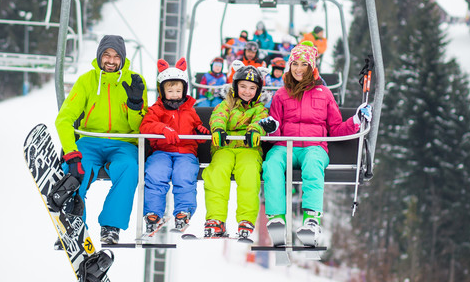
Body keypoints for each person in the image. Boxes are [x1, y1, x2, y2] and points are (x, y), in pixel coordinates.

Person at [262, 41, 371, 246]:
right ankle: (277, 218)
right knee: (272, 164)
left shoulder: (324, 94)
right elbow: (275, 129)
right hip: (285, 145)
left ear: (312, 67)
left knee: (313, 165)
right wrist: (271, 127)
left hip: (314, 146)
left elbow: (336, 128)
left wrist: (356, 119)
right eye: (295, 64)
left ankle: (311, 219)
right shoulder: (281, 94)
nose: (298, 69)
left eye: (304, 64)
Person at [55, 35, 148, 245]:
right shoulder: (86, 81)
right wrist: (71, 153)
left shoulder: (134, 81)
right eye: (107, 55)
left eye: (116, 56)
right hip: (90, 140)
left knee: (130, 167)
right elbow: (64, 119)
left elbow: (141, 127)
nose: (111, 61)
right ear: (99, 56)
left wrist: (135, 105)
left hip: (124, 142)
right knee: (78, 169)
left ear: (123, 59)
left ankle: (111, 227)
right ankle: (74, 223)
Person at [139, 57, 210, 232]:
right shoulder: (156, 110)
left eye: (178, 91)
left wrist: (201, 133)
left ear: (184, 90)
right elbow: (145, 126)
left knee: (184, 175)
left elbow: (196, 133)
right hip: (161, 151)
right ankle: (153, 213)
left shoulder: (190, 111)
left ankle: (183, 212)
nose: (175, 95)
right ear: (162, 91)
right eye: (170, 91)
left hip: (186, 153)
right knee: (156, 173)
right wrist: (162, 129)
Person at [203, 65, 270, 239]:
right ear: (235, 87)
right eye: (243, 86)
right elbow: (218, 116)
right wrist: (218, 128)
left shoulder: (259, 108)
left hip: (248, 148)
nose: (247, 91)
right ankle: (216, 219)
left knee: (249, 174)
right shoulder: (227, 104)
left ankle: (246, 220)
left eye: (252, 88)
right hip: (225, 147)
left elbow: (261, 120)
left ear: (258, 90)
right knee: (217, 171)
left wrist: (255, 130)